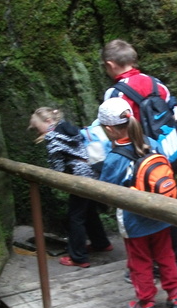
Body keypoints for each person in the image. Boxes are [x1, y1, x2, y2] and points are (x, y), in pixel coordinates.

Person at [101, 39, 177, 282]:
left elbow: (110, 126)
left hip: (134, 161)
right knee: (168, 202)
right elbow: (176, 115)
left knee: (137, 211)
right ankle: (176, 264)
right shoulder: (158, 84)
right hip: (161, 157)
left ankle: (143, 268)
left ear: (110, 64)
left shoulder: (115, 93)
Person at [96, 96, 177, 308]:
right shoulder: (152, 143)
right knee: (166, 255)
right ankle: (176, 294)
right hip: (161, 213)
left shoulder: (115, 158)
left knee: (140, 261)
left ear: (110, 129)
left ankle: (146, 302)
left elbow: (105, 190)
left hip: (134, 220)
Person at [28, 107, 113, 268]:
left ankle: (79, 257)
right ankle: (101, 243)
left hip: (80, 178)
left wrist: (53, 178)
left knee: (75, 217)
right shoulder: (68, 129)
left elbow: (57, 167)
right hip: (93, 172)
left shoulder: (53, 137)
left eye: (37, 128)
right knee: (88, 210)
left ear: (48, 121)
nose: (37, 132)